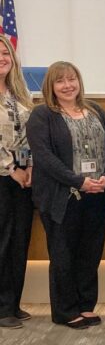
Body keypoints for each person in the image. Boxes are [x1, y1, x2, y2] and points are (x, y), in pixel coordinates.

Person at [27, 61, 105, 329]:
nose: (67, 85)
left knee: (90, 252)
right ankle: (65, 310)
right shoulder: (42, 115)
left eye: (72, 79)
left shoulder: (94, 110)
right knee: (63, 253)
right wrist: (78, 181)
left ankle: (85, 305)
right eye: (60, 81)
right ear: (51, 86)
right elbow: (44, 158)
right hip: (62, 195)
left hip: (97, 193)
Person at [0, 36, 34, 329]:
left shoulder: (18, 93)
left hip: (21, 179)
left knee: (19, 241)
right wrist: (10, 167)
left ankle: (13, 303)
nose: (2, 57)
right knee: (2, 242)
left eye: (5, 53)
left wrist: (26, 167)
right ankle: (1, 307)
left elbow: (25, 137)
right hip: (1, 177)